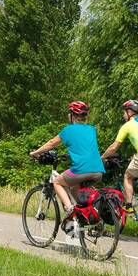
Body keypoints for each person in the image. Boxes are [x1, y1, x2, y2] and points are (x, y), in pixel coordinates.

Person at [29, 100, 105, 233]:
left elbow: (52, 143)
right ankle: (83, 216)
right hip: (98, 171)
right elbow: (84, 148)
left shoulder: (68, 130)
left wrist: (35, 153)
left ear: (72, 115)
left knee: (57, 182)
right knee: (74, 186)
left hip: (81, 169)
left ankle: (69, 208)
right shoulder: (92, 129)